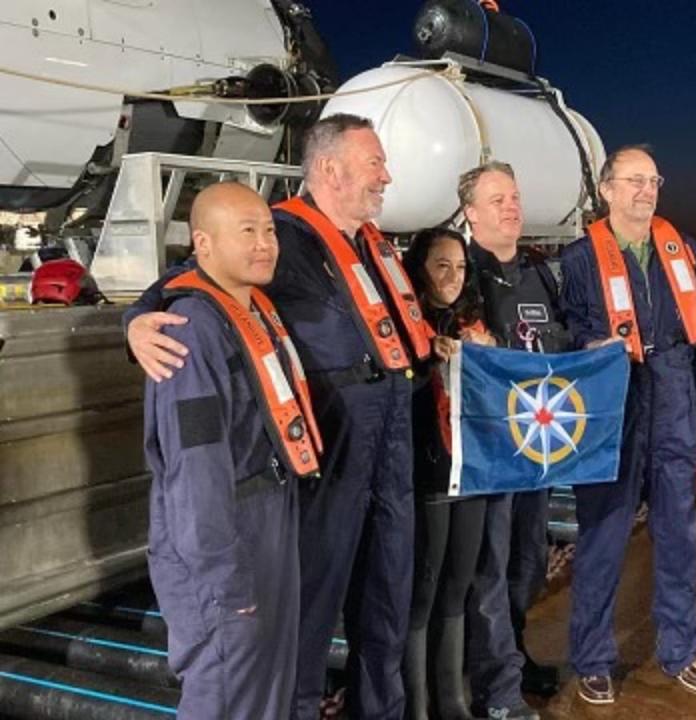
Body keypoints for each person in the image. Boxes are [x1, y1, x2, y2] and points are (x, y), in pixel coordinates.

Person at [125, 114, 435, 720]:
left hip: (390, 439)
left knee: (389, 597)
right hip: (332, 445)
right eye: (374, 163)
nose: (386, 177)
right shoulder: (281, 236)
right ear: (329, 169)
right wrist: (133, 322)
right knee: (309, 614)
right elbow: (184, 283)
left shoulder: (375, 245)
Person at [559, 145, 696, 705]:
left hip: (677, 397)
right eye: (634, 181)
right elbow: (568, 328)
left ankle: (681, 650)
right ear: (606, 189)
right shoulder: (582, 258)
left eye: (653, 181)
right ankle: (592, 658)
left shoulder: (687, 251)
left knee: (678, 535)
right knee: (603, 536)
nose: (646, 191)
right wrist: (590, 343)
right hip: (615, 401)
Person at [144, 182, 322, 718]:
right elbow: (194, 465)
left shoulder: (252, 309)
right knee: (226, 684)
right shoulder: (192, 332)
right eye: (247, 232)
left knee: (268, 681)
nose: (265, 243)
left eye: (268, 230)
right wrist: (221, 572)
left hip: (268, 510)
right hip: (224, 529)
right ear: (203, 244)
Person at [458, 161, 570, 715]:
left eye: (515, 197)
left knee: (527, 562)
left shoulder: (537, 274)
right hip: (487, 458)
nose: (510, 207)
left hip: (537, 453)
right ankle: (496, 692)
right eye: (496, 199)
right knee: (490, 571)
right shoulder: (460, 273)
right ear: (471, 212)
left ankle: (515, 657)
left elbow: (563, 347)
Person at [401, 227, 496, 720]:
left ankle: (452, 700)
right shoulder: (405, 324)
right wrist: (425, 359)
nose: (452, 277)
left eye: (459, 267)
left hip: (472, 471)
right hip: (430, 474)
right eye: (441, 266)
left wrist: (489, 354)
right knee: (422, 594)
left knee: (458, 586)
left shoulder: (474, 324)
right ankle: (416, 706)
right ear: (420, 268)